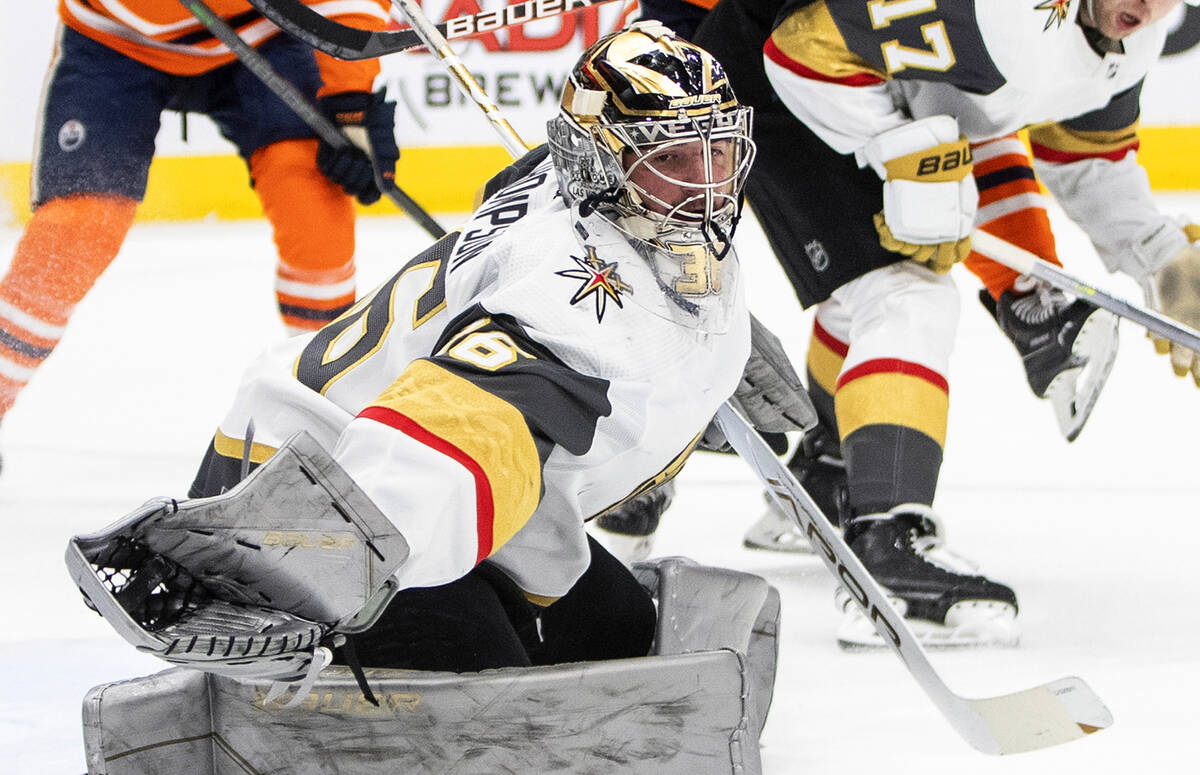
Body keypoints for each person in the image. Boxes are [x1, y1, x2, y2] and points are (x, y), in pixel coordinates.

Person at [73, 22, 789, 678]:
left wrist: (704, 347)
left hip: (384, 458)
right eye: (671, 161)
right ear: (598, 166)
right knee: (491, 697)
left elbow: (520, 181)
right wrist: (309, 575)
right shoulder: (568, 308)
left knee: (613, 629)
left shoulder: (567, 185)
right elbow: (438, 441)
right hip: (311, 496)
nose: (705, 188)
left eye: (717, 151)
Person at [680, 0, 1200, 648]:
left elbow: (1085, 156)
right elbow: (804, 49)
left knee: (867, 297)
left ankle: (833, 472)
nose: (1150, 7)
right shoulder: (1010, 13)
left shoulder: (1134, 32)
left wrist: (1166, 259)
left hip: (879, 87)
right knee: (903, 296)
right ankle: (890, 549)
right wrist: (904, 154)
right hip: (775, 76)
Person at [0, 0, 401, 470]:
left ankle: (327, 413)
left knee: (316, 217)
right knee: (76, 234)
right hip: (115, 35)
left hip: (267, 28)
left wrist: (350, 99)